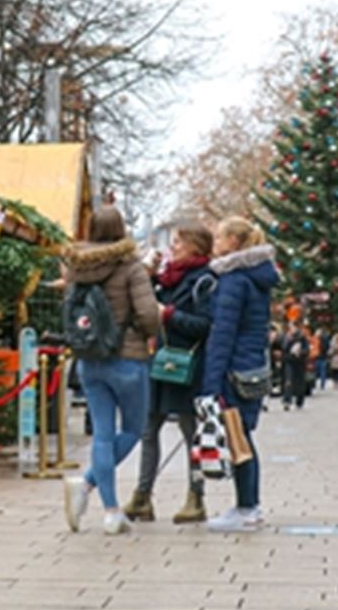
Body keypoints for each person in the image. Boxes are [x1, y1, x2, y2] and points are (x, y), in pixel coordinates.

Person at [62, 206, 160, 535]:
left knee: (102, 433)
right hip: (127, 356)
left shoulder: (76, 265)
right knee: (133, 429)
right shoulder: (130, 267)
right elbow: (148, 313)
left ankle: (110, 510)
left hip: (90, 359)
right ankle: (88, 486)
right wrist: (150, 333)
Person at [124, 221, 215, 525]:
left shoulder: (204, 280)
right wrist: (147, 279)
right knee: (148, 430)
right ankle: (141, 496)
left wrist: (170, 315)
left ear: (195, 246)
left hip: (188, 368)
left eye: (178, 241)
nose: (172, 247)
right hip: (162, 363)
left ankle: (195, 497)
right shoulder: (166, 279)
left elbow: (205, 325)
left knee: (191, 435)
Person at [197, 216, 279, 532]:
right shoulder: (257, 278)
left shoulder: (233, 280)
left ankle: (247, 507)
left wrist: (211, 383)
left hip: (233, 370)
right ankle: (247, 505)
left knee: (237, 438)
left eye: (219, 237)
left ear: (234, 242)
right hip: (251, 366)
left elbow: (223, 334)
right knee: (242, 435)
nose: (214, 244)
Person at [281, 321, 308, 411]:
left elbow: (306, 350)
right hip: (289, 361)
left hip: (299, 362)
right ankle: (287, 401)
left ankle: (299, 401)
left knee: (300, 383)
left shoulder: (302, 337)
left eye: (292, 327)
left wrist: (300, 352)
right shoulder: (286, 337)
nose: (290, 329)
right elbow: (283, 348)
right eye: (289, 327)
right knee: (288, 381)